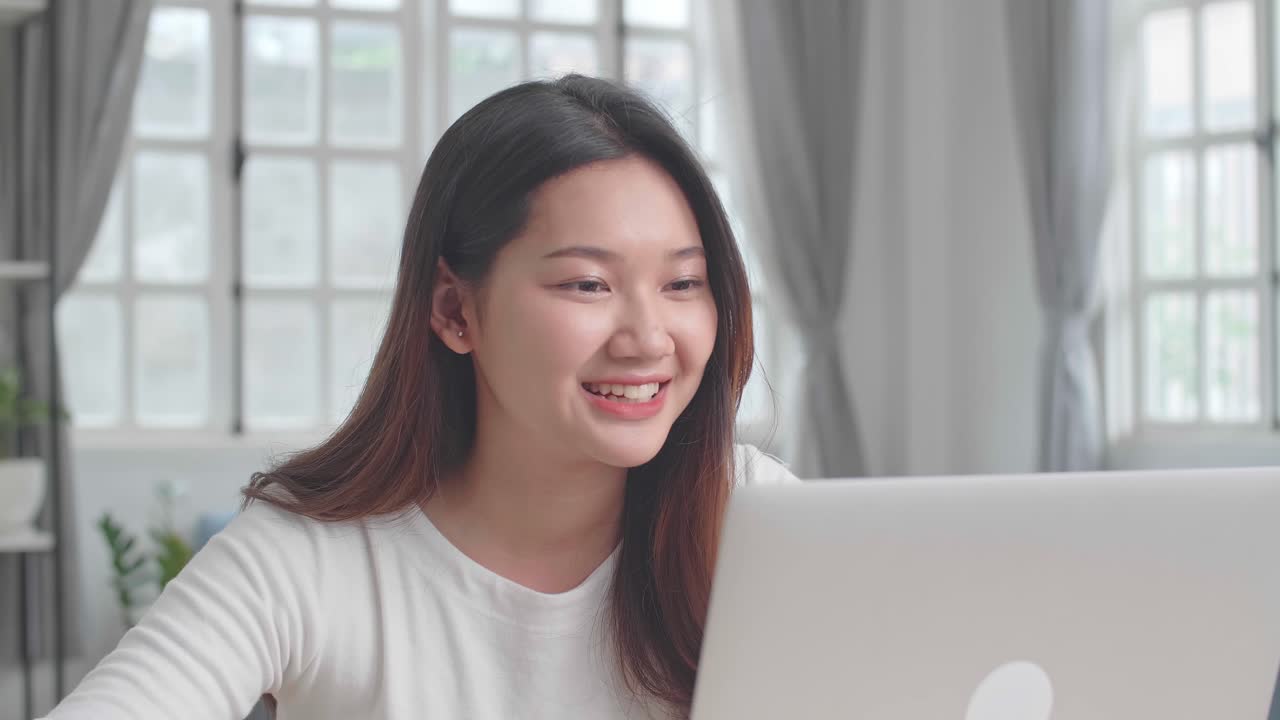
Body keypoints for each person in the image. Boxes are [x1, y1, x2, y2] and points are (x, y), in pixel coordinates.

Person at [41, 74, 798, 720]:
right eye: (587, 284)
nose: (649, 337)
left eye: (683, 284)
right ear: (453, 311)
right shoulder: (309, 556)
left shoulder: (754, 517)